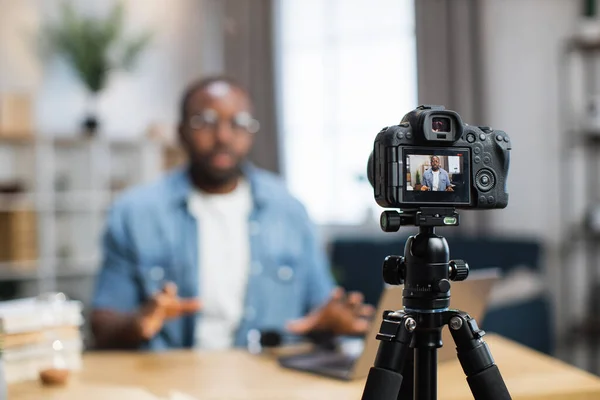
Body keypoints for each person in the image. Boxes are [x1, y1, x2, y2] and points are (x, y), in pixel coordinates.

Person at [90, 76, 373, 350]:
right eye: (206, 122)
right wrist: (137, 322)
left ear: (251, 132)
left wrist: (331, 321)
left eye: (238, 123)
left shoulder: (289, 211)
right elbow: (102, 325)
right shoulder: (135, 213)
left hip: (267, 381)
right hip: (170, 383)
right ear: (181, 132)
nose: (223, 136)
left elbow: (319, 308)